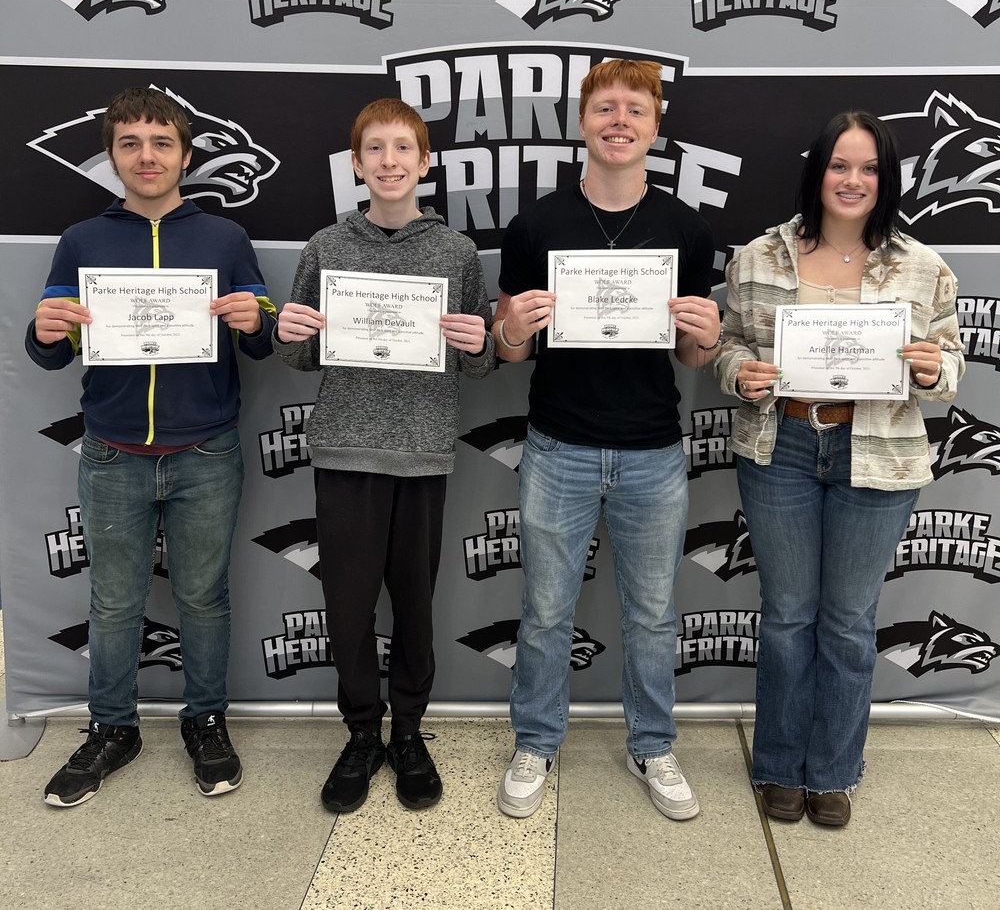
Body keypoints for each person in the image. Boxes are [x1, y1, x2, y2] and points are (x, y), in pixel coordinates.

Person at [26, 87, 277, 807]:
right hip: (111, 453)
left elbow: (259, 339)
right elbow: (51, 350)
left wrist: (249, 319)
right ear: (111, 156)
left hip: (205, 453)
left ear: (186, 155)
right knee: (112, 604)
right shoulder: (83, 240)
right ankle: (113, 727)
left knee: (202, 598)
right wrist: (44, 331)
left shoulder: (224, 240)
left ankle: (205, 720)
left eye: (161, 142)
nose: (146, 155)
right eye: (131, 142)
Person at [716, 110, 964, 827]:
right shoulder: (760, 256)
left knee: (850, 622)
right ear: (817, 172)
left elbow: (952, 369)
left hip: (878, 453)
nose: (852, 181)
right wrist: (743, 376)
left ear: (886, 180)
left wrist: (931, 366)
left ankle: (832, 771)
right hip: (783, 447)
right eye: (839, 166)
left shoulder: (923, 266)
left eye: (868, 169)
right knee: (789, 617)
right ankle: (778, 766)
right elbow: (728, 348)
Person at [493, 59, 720, 820]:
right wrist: (512, 328)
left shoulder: (687, 230)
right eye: (605, 108)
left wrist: (707, 337)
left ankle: (653, 743)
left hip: (654, 450)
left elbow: (690, 358)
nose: (619, 120)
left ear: (656, 126)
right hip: (558, 445)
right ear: (583, 122)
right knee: (546, 610)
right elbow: (512, 350)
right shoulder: (535, 225)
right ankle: (535, 738)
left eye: (635, 108)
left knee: (653, 614)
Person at [273, 98, 495, 813]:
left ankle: (408, 732)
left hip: (422, 454)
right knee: (347, 608)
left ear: (425, 162)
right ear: (358, 163)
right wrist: (290, 330)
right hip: (346, 450)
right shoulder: (325, 246)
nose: (391, 160)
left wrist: (479, 344)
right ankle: (362, 732)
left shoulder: (457, 253)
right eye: (376, 148)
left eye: (405, 148)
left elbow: (483, 363)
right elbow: (300, 356)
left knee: (415, 609)